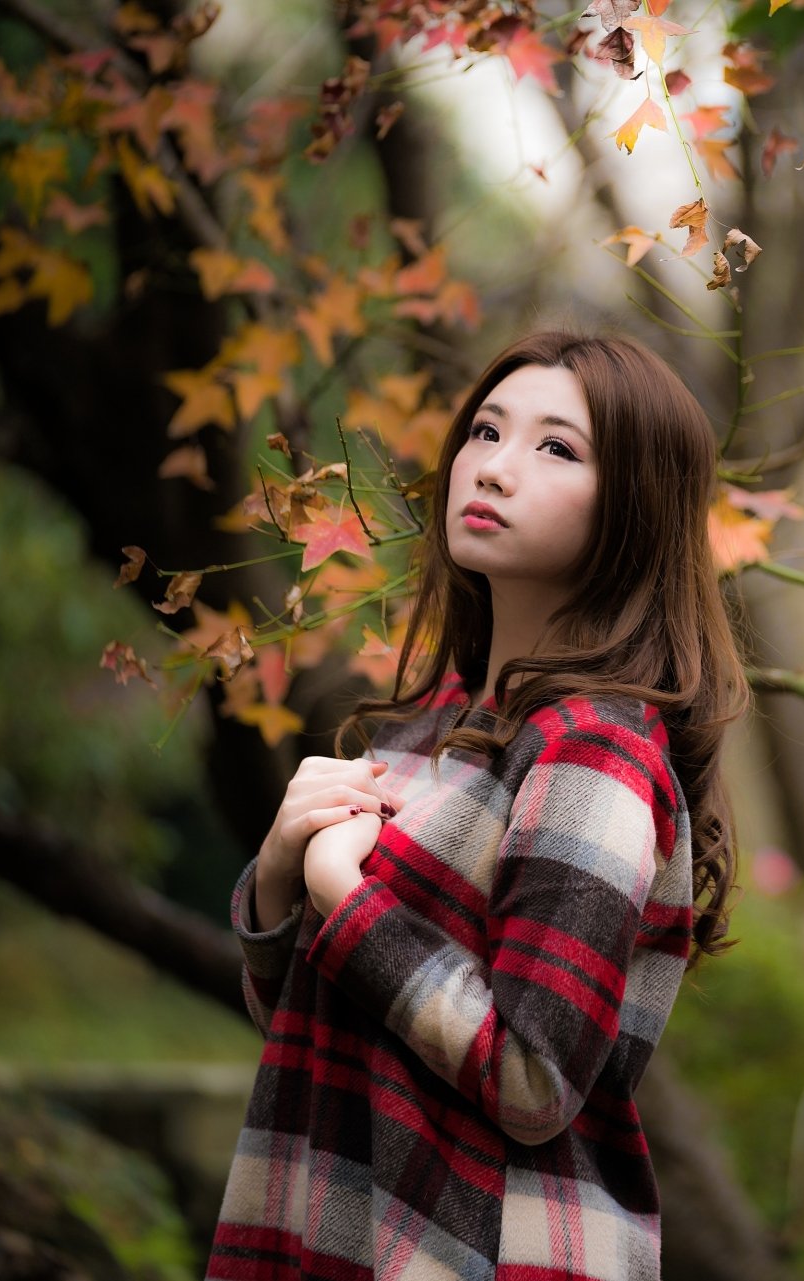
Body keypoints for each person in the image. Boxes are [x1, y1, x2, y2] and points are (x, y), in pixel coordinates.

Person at [204, 328, 751, 1281]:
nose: (494, 468)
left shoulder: (594, 753)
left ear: (635, 508)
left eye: (555, 448)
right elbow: (310, 1013)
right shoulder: (434, 725)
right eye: (486, 431)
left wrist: (349, 900)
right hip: (337, 1224)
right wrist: (281, 879)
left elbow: (534, 1077)